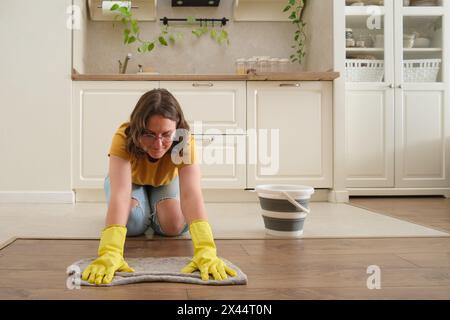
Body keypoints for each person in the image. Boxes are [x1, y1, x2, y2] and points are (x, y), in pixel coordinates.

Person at [81, 88, 237, 285]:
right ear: (138, 128)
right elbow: (120, 194)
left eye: (166, 134)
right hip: (130, 181)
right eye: (149, 134)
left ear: (177, 128)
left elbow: (191, 194)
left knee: (173, 224)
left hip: (164, 182)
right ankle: (144, 210)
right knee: (133, 223)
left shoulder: (184, 141)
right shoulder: (123, 136)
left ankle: (151, 209)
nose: (158, 144)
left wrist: (206, 249)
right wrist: (110, 250)